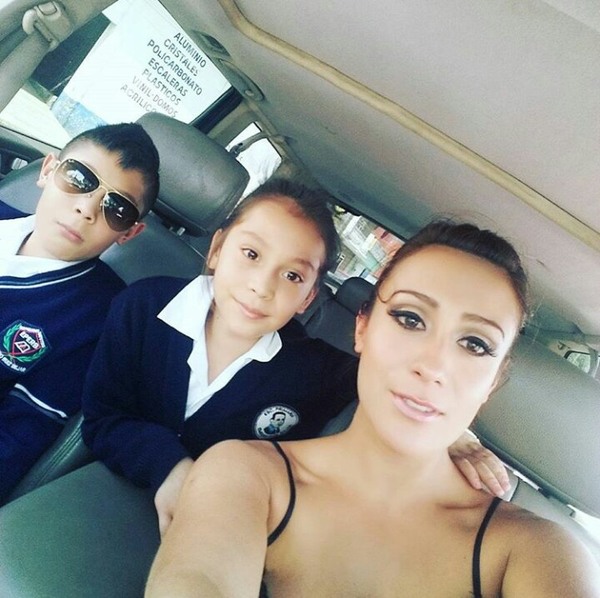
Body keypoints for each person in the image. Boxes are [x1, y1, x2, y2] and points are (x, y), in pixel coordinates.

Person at [145, 221, 600, 598]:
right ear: (361, 328)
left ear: (492, 384)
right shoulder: (245, 473)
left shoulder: (537, 552)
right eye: (410, 319)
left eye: (475, 344)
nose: (433, 366)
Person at [81, 181, 509, 537]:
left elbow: (392, 383)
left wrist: (457, 436)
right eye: (251, 255)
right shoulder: (143, 306)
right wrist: (171, 468)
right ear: (217, 250)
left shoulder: (314, 369)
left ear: (308, 297)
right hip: (101, 492)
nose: (262, 286)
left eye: (292, 275)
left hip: (220, 528)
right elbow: (104, 417)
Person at [0, 122, 159, 502]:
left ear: (129, 233)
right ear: (48, 170)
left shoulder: (101, 319)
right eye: (79, 178)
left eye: (117, 209)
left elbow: (19, 436)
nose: (86, 209)